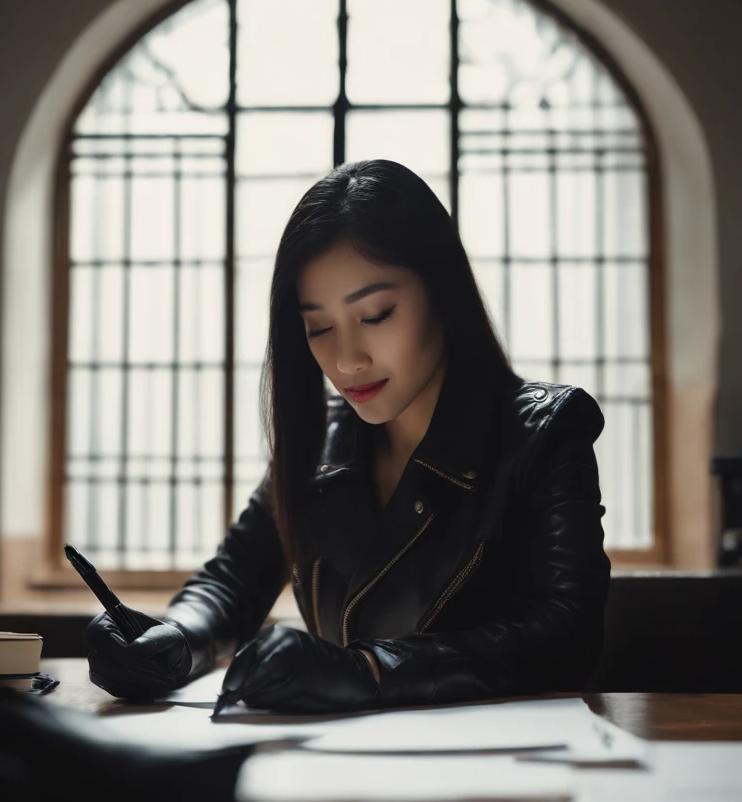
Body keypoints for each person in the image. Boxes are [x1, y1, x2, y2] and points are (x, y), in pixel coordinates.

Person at [86, 159, 610, 713]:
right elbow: (233, 581)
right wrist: (175, 639)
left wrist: (365, 671)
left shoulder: (545, 431)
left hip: (502, 771)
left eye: (377, 314)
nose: (347, 359)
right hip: (332, 769)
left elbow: (564, 636)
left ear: (443, 293)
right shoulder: (322, 442)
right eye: (318, 327)